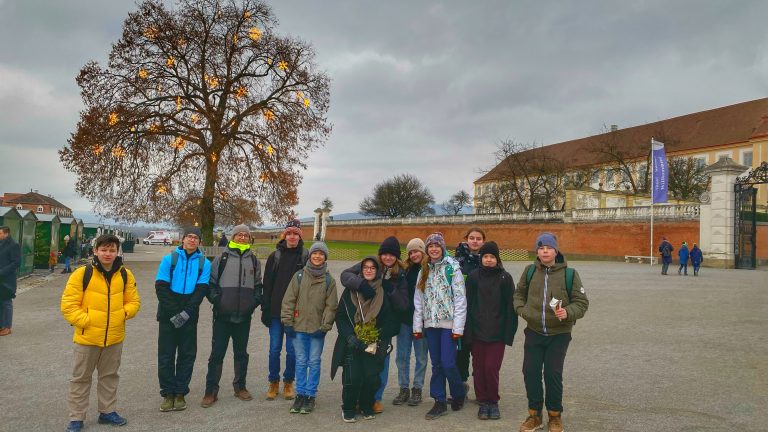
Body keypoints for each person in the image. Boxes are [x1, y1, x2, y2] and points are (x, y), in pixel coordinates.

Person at [60, 234, 141, 432]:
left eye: (112, 250)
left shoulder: (125, 275)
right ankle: (77, 417)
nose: (108, 253)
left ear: (117, 252)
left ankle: (107, 411)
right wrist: (87, 321)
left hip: (114, 337)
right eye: (104, 250)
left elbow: (134, 302)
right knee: (80, 378)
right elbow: (68, 305)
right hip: (87, 338)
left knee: (110, 376)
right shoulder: (81, 274)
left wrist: (122, 314)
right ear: (95, 251)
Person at [514, 233, 589, 432]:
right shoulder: (529, 271)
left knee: (552, 374)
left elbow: (582, 303)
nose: (545, 251)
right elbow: (518, 294)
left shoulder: (569, 274)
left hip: (559, 334)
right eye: (541, 248)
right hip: (534, 331)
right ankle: (534, 415)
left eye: (549, 247)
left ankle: (555, 416)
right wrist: (522, 310)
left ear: (556, 251)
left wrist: (568, 312)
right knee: (530, 372)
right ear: (537, 252)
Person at [340, 236, 408, 413]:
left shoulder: (400, 273)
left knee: (381, 363)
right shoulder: (371, 263)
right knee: (362, 363)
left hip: (386, 323)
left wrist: (390, 290)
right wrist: (361, 284)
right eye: (384, 254)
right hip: (365, 321)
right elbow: (345, 275)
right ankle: (360, 398)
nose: (387, 257)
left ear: (397, 257)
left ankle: (375, 398)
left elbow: (403, 305)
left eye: (392, 255)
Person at [201, 224, 263, 408]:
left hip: (243, 317)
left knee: (241, 354)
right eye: (239, 235)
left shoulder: (254, 261)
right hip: (222, 315)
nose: (242, 237)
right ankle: (211, 391)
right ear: (233, 237)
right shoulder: (222, 258)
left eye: (246, 235)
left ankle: (240, 387)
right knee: (216, 355)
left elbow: (259, 286)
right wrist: (217, 301)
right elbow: (210, 285)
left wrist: (253, 303)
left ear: (249, 238)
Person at [331, 257, 400, 423]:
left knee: (371, 377)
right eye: (365, 268)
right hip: (353, 342)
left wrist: (378, 336)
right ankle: (348, 407)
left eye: (372, 268)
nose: (369, 270)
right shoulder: (350, 291)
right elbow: (340, 317)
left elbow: (392, 319)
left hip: (373, 342)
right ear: (361, 271)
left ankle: (366, 405)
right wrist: (350, 337)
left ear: (377, 271)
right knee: (352, 377)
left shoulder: (384, 290)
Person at [154, 227, 211, 412]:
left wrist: (186, 313)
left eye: (196, 237)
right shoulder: (169, 259)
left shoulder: (204, 262)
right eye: (189, 237)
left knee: (187, 355)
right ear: (183, 239)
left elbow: (201, 290)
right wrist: (174, 314)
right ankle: (167, 393)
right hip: (168, 313)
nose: (192, 240)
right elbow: (161, 287)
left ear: (199, 242)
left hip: (189, 312)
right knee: (166, 356)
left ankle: (180, 393)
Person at [413, 232, 467, 420]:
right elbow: (418, 299)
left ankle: (459, 391)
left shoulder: (452, 268)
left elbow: (460, 299)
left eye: (437, 245)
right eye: (431, 246)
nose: (434, 249)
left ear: (442, 248)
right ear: (427, 249)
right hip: (431, 324)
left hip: (448, 324)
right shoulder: (424, 270)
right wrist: (418, 326)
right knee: (436, 364)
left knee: (448, 363)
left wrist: (458, 328)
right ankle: (440, 401)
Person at [281, 242, 338, 415]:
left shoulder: (329, 280)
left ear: (325, 257)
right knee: (300, 361)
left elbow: (331, 306)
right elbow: (289, 300)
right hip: (298, 327)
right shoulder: (299, 276)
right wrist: (287, 322)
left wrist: (325, 326)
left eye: (321, 254)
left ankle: (310, 395)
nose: (317, 256)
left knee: (313, 362)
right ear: (310, 256)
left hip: (316, 330)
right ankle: (300, 394)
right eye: (315, 253)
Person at [464, 241, 517, 420]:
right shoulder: (472, 277)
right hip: (477, 331)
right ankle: (482, 400)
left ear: (497, 259)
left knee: (491, 367)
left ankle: (492, 401)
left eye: (492, 257)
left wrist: (508, 333)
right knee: (478, 368)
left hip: (497, 332)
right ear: (481, 258)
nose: (488, 260)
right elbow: (467, 305)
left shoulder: (505, 278)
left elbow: (511, 308)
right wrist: (467, 331)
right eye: (485, 256)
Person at [261, 219, 309, 401]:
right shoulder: (275, 256)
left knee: (292, 351)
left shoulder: (305, 256)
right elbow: (267, 284)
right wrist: (265, 308)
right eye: (289, 233)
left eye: (295, 234)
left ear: (299, 236)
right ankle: (273, 382)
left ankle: (289, 382)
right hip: (275, 311)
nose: (292, 237)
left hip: (295, 313)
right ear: (285, 235)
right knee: (274, 350)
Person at [393, 238, 429, 407]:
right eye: (411, 252)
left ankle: (417, 388)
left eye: (417, 251)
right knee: (402, 356)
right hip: (405, 320)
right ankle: (403, 388)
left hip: (422, 320)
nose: (414, 254)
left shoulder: (430, 269)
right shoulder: (404, 270)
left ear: (423, 251)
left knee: (421, 357)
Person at [453, 226, 486, 399]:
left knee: (479, 354)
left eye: (478, 238)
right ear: (466, 239)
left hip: (481, 314)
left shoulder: (489, 259)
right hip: (461, 313)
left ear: (483, 241)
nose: (475, 241)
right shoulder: (456, 260)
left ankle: (481, 389)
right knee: (461, 353)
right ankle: (461, 387)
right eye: (472, 238)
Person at [0, 226, 21, 337]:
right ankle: (1, 326)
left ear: (6, 233)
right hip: (0, 279)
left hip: (7, 280)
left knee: (7, 303)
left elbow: (16, 263)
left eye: (0, 233)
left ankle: (7, 327)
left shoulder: (14, 245)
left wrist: (2, 271)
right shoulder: (1, 244)